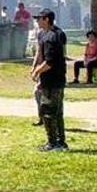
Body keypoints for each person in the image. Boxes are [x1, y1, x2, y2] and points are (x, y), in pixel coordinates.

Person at [30, 10, 67, 151]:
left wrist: (37, 71)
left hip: (54, 79)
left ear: (46, 19)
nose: (37, 21)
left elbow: (50, 62)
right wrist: (34, 67)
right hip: (46, 79)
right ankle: (58, 142)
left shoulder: (55, 36)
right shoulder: (42, 34)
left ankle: (55, 142)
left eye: (39, 19)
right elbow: (40, 52)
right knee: (52, 110)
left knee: (50, 111)